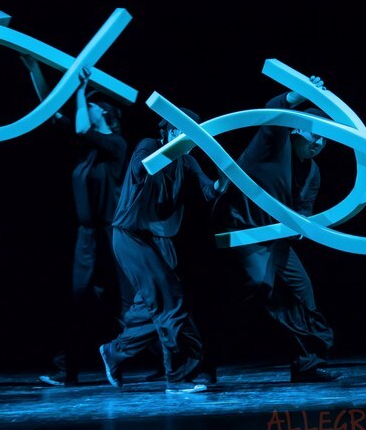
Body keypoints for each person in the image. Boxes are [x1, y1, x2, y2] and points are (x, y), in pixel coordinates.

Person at [210, 75, 341, 383]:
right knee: (256, 288)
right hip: (244, 231)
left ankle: (307, 365)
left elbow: (304, 210)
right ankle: (204, 361)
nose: (319, 144)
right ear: (296, 129)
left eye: (325, 140)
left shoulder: (313, 172)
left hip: (277, 239)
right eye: (314, 136)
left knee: (302, 293)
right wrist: (300, 93)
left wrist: (302, 225)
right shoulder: (273, 143)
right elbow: (273, 110)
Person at [98, 108, 227, 394]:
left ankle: (115, 352)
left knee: (152, 305)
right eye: (187, 133)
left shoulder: (188, 161)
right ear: (171, 130)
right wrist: (176, 146)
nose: (191, 141)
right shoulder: (149, 145)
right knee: (170, 304)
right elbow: (141, 169)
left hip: (161, 240)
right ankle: (177, 379)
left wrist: (225, 175)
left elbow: (210, 191)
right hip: (132, 236)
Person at [22, 59, 134, 387]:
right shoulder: (86, 151)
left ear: (105, 112)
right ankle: (66, 370)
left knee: (126, 303)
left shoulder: (117, 145)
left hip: (113, 235)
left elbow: (82, 128)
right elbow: (51, 110)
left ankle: (164, 360)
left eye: (91, 105)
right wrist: (33, 69)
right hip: (87, 238)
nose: (85, 107)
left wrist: (82, 89)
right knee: (77, 302)